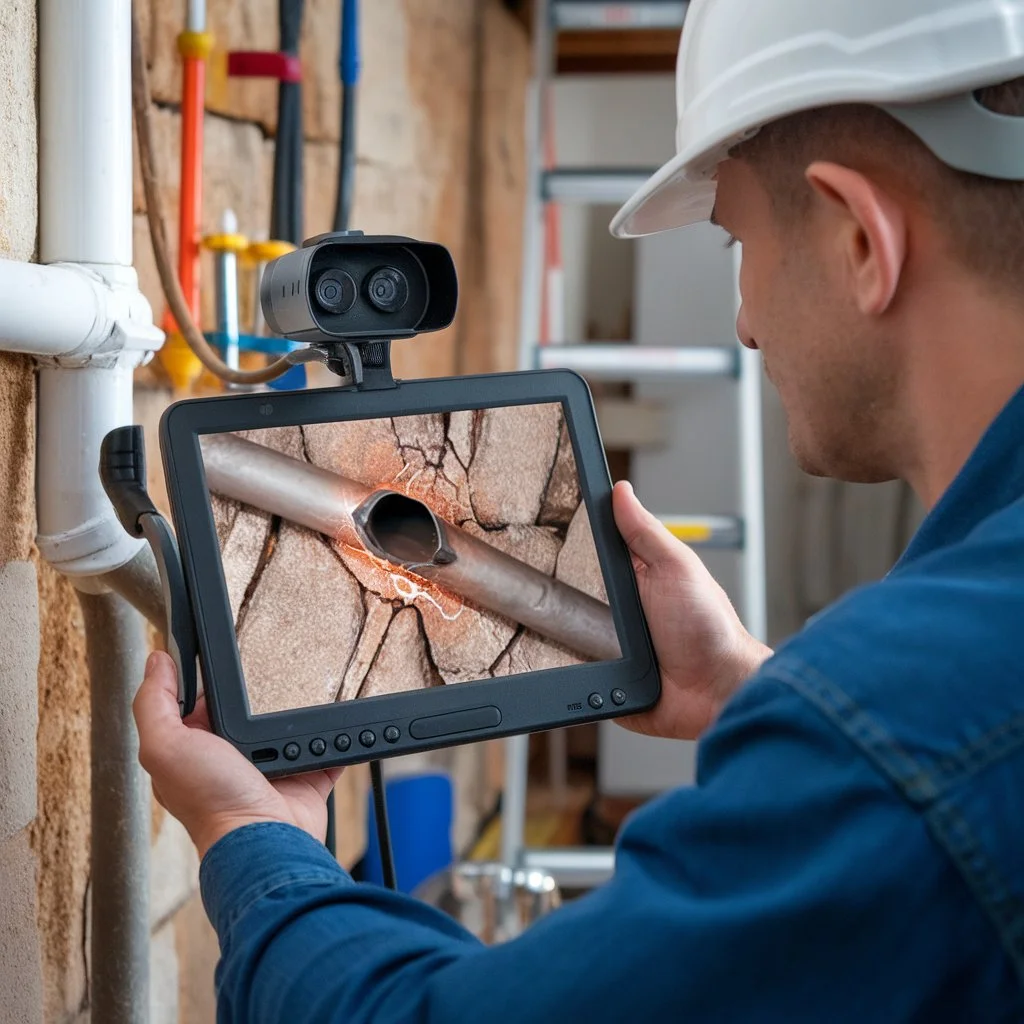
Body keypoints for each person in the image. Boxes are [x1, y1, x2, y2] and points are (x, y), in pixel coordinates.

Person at [135, 1, 1024, 1019]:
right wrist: (744, 688)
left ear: (862, 238)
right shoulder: (935, 716)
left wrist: (254, 838)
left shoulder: (912, 722)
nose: (742, 320)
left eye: (738, 240)